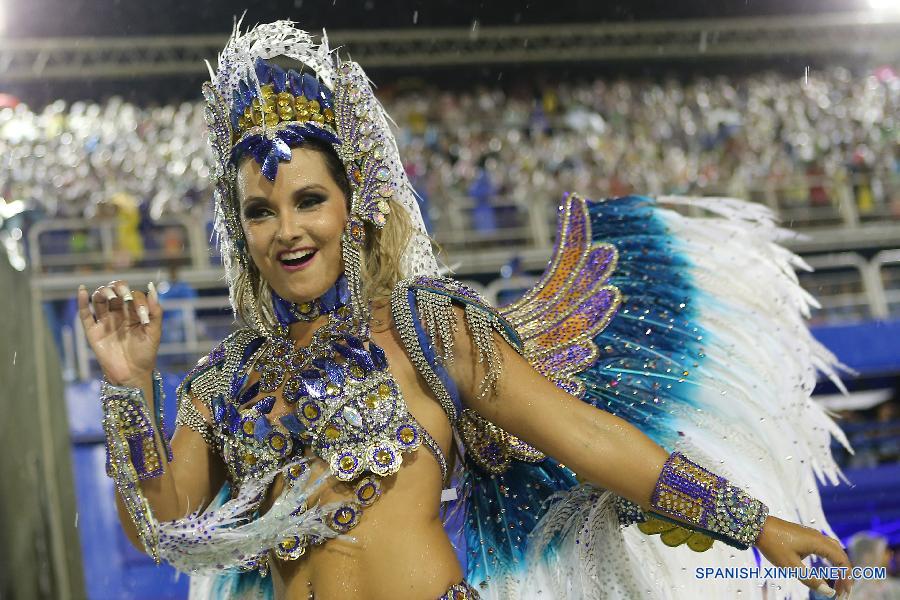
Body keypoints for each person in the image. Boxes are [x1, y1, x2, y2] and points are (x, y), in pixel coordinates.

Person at [76, 21, 854, 600]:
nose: (287, 230)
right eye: (260, 211)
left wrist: (756, 525)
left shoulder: (424, 327)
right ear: (238, 228)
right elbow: (162, 526)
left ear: (354, 205)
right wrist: (126, 386)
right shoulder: (226, 379)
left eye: (309, 199)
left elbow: (585, 438)